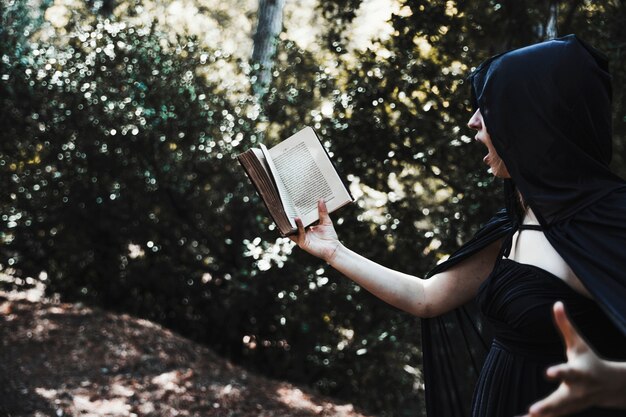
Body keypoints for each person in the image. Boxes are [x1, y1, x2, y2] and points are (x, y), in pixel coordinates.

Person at [289, 34, 626, 417]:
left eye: (489, 109)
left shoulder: (610, 224)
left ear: (533, 121)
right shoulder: (515, 222)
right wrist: (335, 251)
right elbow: (427, 298)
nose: (473, 121)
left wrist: (613, 380)